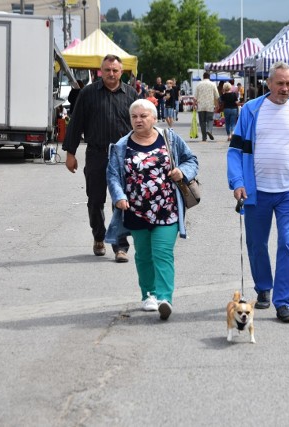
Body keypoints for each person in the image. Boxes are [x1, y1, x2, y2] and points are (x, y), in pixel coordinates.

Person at [227, 61, 289, 323]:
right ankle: (263, 288)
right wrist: (237, 182)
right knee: (256, 244)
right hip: (257, 192)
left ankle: (283, 302)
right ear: (268, 83)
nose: (284, 88)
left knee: (287, 244)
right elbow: (235, 151)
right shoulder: (251, 110)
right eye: (279, 83)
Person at [106, 99, 199, 320]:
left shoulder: (170, 139)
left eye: (143, 116)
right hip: (136, 210)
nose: (138, 120)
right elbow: (112, 175)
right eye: (134, 117)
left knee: (163, 253)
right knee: (144, 255)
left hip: (167, 208)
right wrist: (118, 196)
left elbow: (192, 160)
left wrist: (182, 171)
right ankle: (148, 294)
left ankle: (165, 298)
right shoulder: (121, 146)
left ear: (154, 118)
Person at [62, 54, 137, 263]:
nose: (111, 74)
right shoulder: (88, 93)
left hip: (123, 157)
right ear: (100, 71)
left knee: (120, 202)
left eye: (115, 70)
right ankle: (98, 236)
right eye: (107, 70)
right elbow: (76, 123)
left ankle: (120, 246)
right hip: (96, 155)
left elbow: (141, 124)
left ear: (121, 72)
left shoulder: (131, 94)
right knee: (95, 201)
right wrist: (70, 153)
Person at [194, 72, 219, 141]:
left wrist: (194, 105)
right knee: (210, 120)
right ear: (209, 77)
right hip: (210, 105)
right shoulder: (213, 84)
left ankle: (204, 137)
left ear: (203, 76)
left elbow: (195, 97)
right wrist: (217, 105)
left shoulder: (199, 84)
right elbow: (216, 96)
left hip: (201, 106)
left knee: (202, 122)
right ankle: (209, 130)